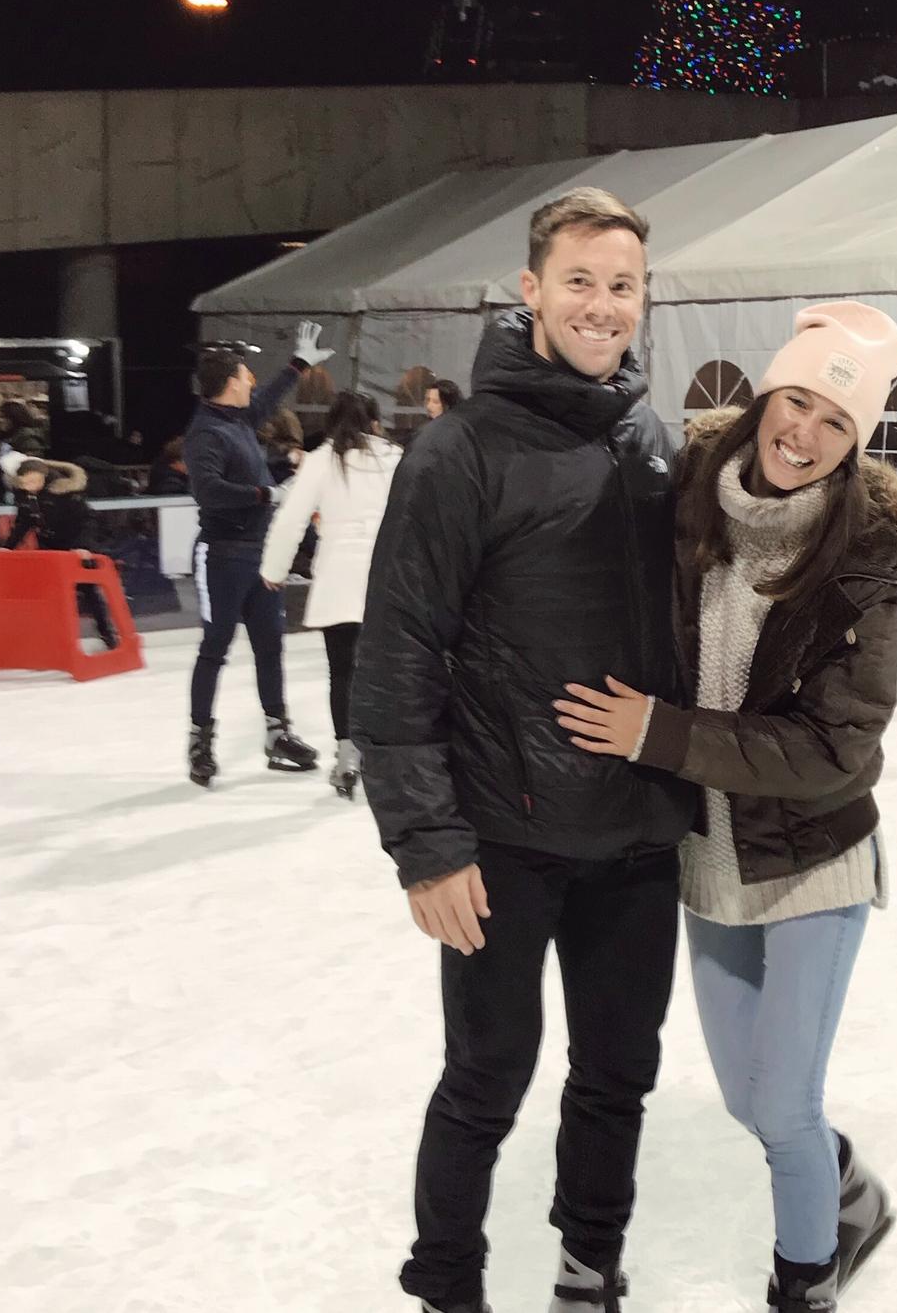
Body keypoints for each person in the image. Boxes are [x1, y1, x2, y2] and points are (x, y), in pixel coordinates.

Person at [554, 302, 897, 1313]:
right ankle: (840, 1177)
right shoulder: (687, 502)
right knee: (750, 1102)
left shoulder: (864, 564)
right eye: (796, 401)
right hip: (708, 861)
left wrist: (662, 735)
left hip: (813, 858)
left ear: (855, 445)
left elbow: (834, 749)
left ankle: (805, 1276)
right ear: (766, 394)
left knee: (781, 1104)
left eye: (833, 422)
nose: (802, 434)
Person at [351, 189, 694, 1313]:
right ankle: (447, 1284)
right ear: (531, 290)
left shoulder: (652, 439)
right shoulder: (459, 451)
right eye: (581, 281)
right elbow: (399, 655)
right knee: (487, 1077)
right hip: (503, 836)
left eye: (624, 285)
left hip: (637, 832)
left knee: (616, 1077)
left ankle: (589, 1267)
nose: (603, 306)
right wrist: (425, 842)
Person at [183, 322, 333, 788]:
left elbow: (267, 400)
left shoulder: (237, 419)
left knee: (271, 645)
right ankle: (200, 739)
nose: (252, 381)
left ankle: (277, 732)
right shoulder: (207, 432)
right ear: (230, 383)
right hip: (223, 556)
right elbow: (210, 490)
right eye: (247, 375)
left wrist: (298, 366)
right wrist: (268, 495)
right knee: (215, 648)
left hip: (262, 557)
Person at [260, 391, 401, 800]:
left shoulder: (322, 460)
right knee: (389, 673)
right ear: (375, 422)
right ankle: (388, 755)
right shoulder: (394, 457)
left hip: (339, 579)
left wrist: (274, 569)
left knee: (342, 671)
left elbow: (290, 518)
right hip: (386, 582)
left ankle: (346, 756)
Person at [3, 458, 118, 648]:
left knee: (88, 590)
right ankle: (51, 636)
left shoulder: (64, 491)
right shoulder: (24, 496)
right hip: (51, 548)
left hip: (76, 546)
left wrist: (83, 546)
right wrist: (8, 547)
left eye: (34, 481)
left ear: (44, 477)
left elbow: (88, 520)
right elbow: (24, 523)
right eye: (25, 483)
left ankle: (107, 633)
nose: (30, 486)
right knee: (49, 592)